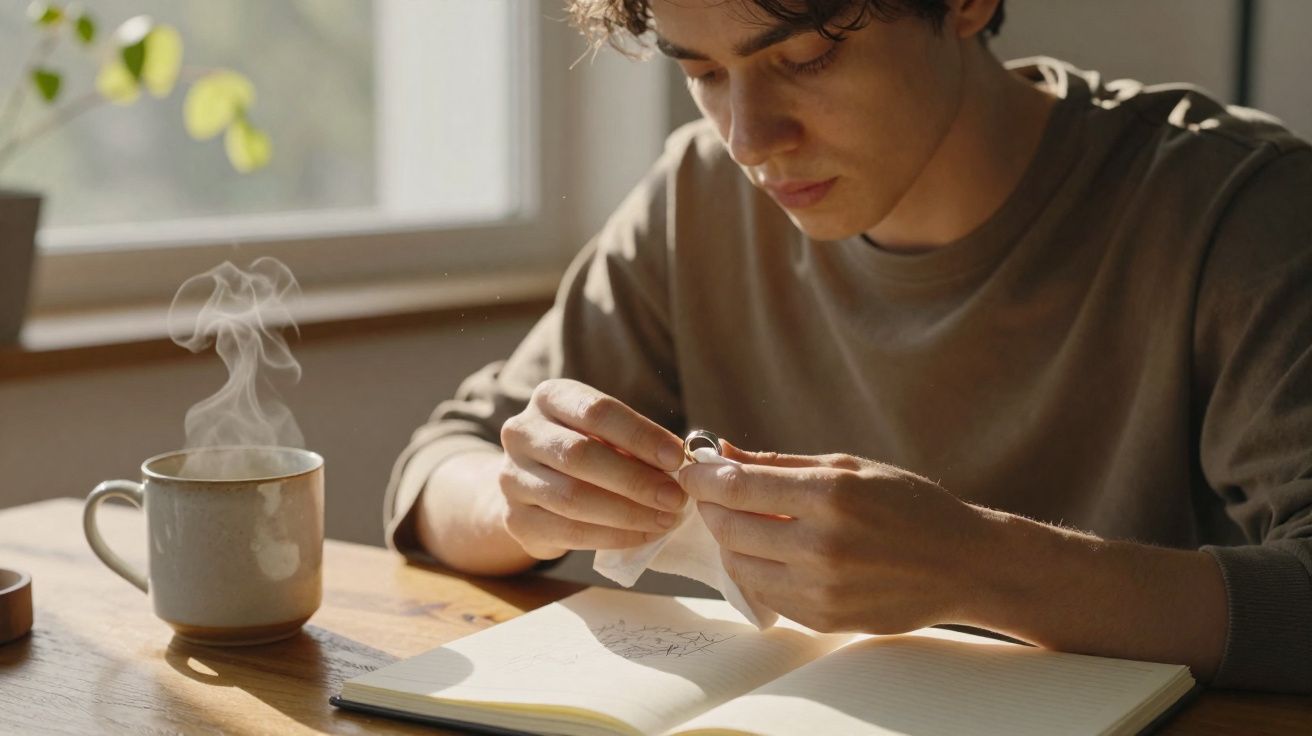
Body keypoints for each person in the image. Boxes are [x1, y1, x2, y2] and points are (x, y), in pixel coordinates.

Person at [383, 0, 1312, 693]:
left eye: (805, 56)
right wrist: (525, 499)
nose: (750, 138)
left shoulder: (1240, 214)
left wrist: (980, 568)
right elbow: (439, 465)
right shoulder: (696, 198)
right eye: (702, 72)